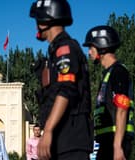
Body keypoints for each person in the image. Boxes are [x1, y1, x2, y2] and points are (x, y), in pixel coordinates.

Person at [29, 0, 93, 159]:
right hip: (62, 139)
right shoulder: (55, 52)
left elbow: (66, 89)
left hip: (71, 138)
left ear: (45, 22)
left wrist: (48, 129)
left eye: (38, 21)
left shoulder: (65, 49)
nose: (36, 26)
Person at [83, 25, 134, 160]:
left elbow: (122, 108)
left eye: (91, 47)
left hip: (116, 142)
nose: (88, 52)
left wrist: (117, 146)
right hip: (106, 142)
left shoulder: (118, 72)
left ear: (101, 46)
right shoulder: (108, 74)